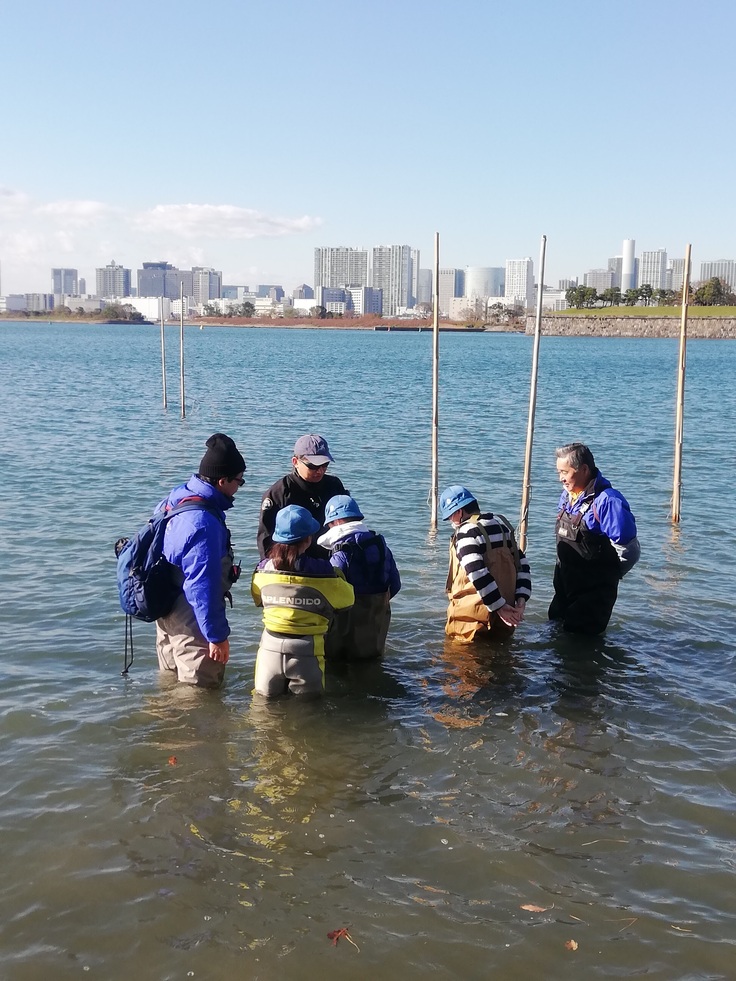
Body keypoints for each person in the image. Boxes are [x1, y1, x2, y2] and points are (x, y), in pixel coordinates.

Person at [155, 433, 246, 686]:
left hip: (165, 606)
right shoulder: (204, 524)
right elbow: (202, 586)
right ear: (222, 480)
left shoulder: (175, 498)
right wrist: (216, 637)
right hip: (191, 615)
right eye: (239, 481)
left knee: (169, 682)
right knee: (199, 693)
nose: (239, 487)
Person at [251, 505, 355, 698]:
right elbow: (347, 600)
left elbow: (258, 598)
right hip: (308, 652)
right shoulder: (325, 573)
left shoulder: (262, 570)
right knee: (308, 712)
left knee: (262, 710)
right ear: (308, 540)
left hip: (269, 649)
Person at [549, 442, 640, 635]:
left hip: (592, 599)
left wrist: (607, 576)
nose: (561, 479)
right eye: (559, 472)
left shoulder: (608, 501)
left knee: (579, 653)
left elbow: (629, 550)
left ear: (583, 469)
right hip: (565, 591)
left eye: (565, 472)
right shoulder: (568, 497)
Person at [440, 485, 532, 643]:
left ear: (459, 512)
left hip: (471, 620)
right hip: (506, 617)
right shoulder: (501, 526)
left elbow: (477, 572)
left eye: (450, 517)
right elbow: (522, 564)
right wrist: (521, 600)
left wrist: (499, 606)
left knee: (460, 663)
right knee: (502, 660)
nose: (450, 521)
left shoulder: (466, 533)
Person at [316, 495, 401, 660]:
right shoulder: (381, 546)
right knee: (372, 664)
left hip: (347, 631)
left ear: (336, 522)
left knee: (343, 668)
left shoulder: (340, 553)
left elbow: (330, 595)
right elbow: (395, 585)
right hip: (376, 626)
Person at [257, 434, 347, 559]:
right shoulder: (279, 493)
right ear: (295, 462)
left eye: (325, 464)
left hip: (332, 562)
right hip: (293, 565)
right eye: (313, 466)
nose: (320, 470)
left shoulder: (334, 486)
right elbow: (266, 538)